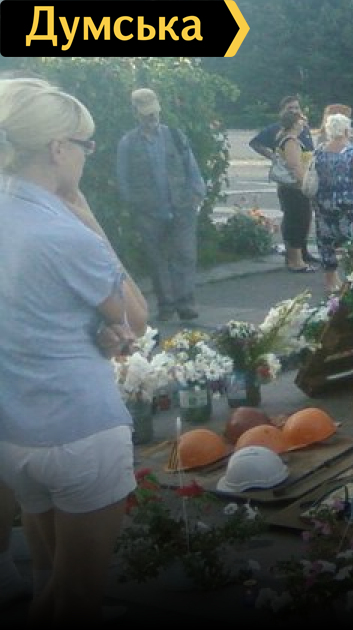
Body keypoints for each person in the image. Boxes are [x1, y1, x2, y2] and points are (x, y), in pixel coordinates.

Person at [0, 77, 149, 624]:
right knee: (75, 599)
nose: (89, 155)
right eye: (86, 145)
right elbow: (136, 316)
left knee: (48, 573)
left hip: (13, 430)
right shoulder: (65, 232)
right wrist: (86, 213)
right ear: (58, 148)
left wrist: (97, 329)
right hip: (78, 429)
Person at [115, 88, 206, 322]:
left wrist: (197, 195)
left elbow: (191, 167)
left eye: (154, 112)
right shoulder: (127, 143)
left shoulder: (175, 136)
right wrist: (134, 204)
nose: (151, 117)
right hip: (148, 212)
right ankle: (166, 305)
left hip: (182, 206)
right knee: (157, 260)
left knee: (185, 255)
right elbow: (123, 179)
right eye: (146, 113)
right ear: (135, 113)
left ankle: (186, 304)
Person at [311, 113, 353, 295]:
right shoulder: (351, 153)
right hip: (348, 205)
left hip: (324, 203)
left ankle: (330, 280)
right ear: (346, 130)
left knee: (326, 240)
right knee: (352, 241)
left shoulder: (319, 151)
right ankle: (352, 280)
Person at [249, 96, 316, 265]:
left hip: (301, 180)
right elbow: (294, 164)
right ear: (282, 111)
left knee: (304, 218)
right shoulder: (283, 134)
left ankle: (302, 252)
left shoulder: (303, 130)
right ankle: (293, 256)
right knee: (294, 218)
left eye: (297, 107)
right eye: (290, 108)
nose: (295, 111)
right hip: (293, 184)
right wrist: (272, 156)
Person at [273, 110, 317, 273]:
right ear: (294, 123)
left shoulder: (287, 138)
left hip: (290, 189)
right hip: (295, 189)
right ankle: (296, 261)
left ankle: (296, 258)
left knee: (296, 221)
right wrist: (306, 184)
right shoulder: (291, 141)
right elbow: (295, 166)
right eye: (301, 120)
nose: (304, 123)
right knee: (298, 222)